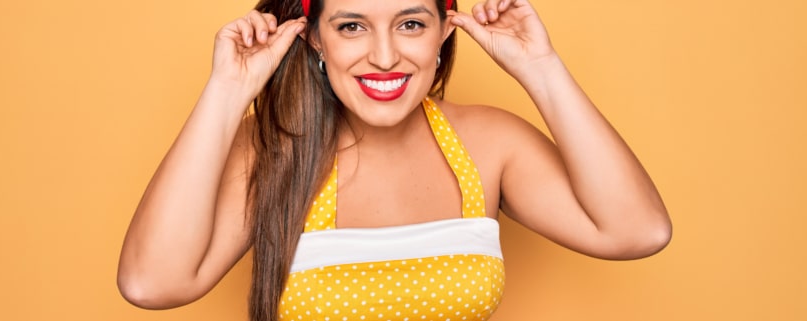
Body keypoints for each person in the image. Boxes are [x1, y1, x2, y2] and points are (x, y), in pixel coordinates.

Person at [117, 0, 672, 320]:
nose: (384, 56)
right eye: (351, 26)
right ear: (314, 39)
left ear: (444, 31)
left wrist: (541, 67)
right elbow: (151, 284)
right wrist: (227, 89)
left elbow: (637, 230)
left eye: (411, 24)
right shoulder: (275, 147)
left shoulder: (488, 142)